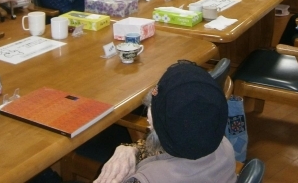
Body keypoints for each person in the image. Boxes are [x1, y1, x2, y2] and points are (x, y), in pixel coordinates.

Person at [94, 61, 236, 183]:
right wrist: (132, 150)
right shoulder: (224, 146)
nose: (149, 124)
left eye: (153, 123)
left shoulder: (148, 178)